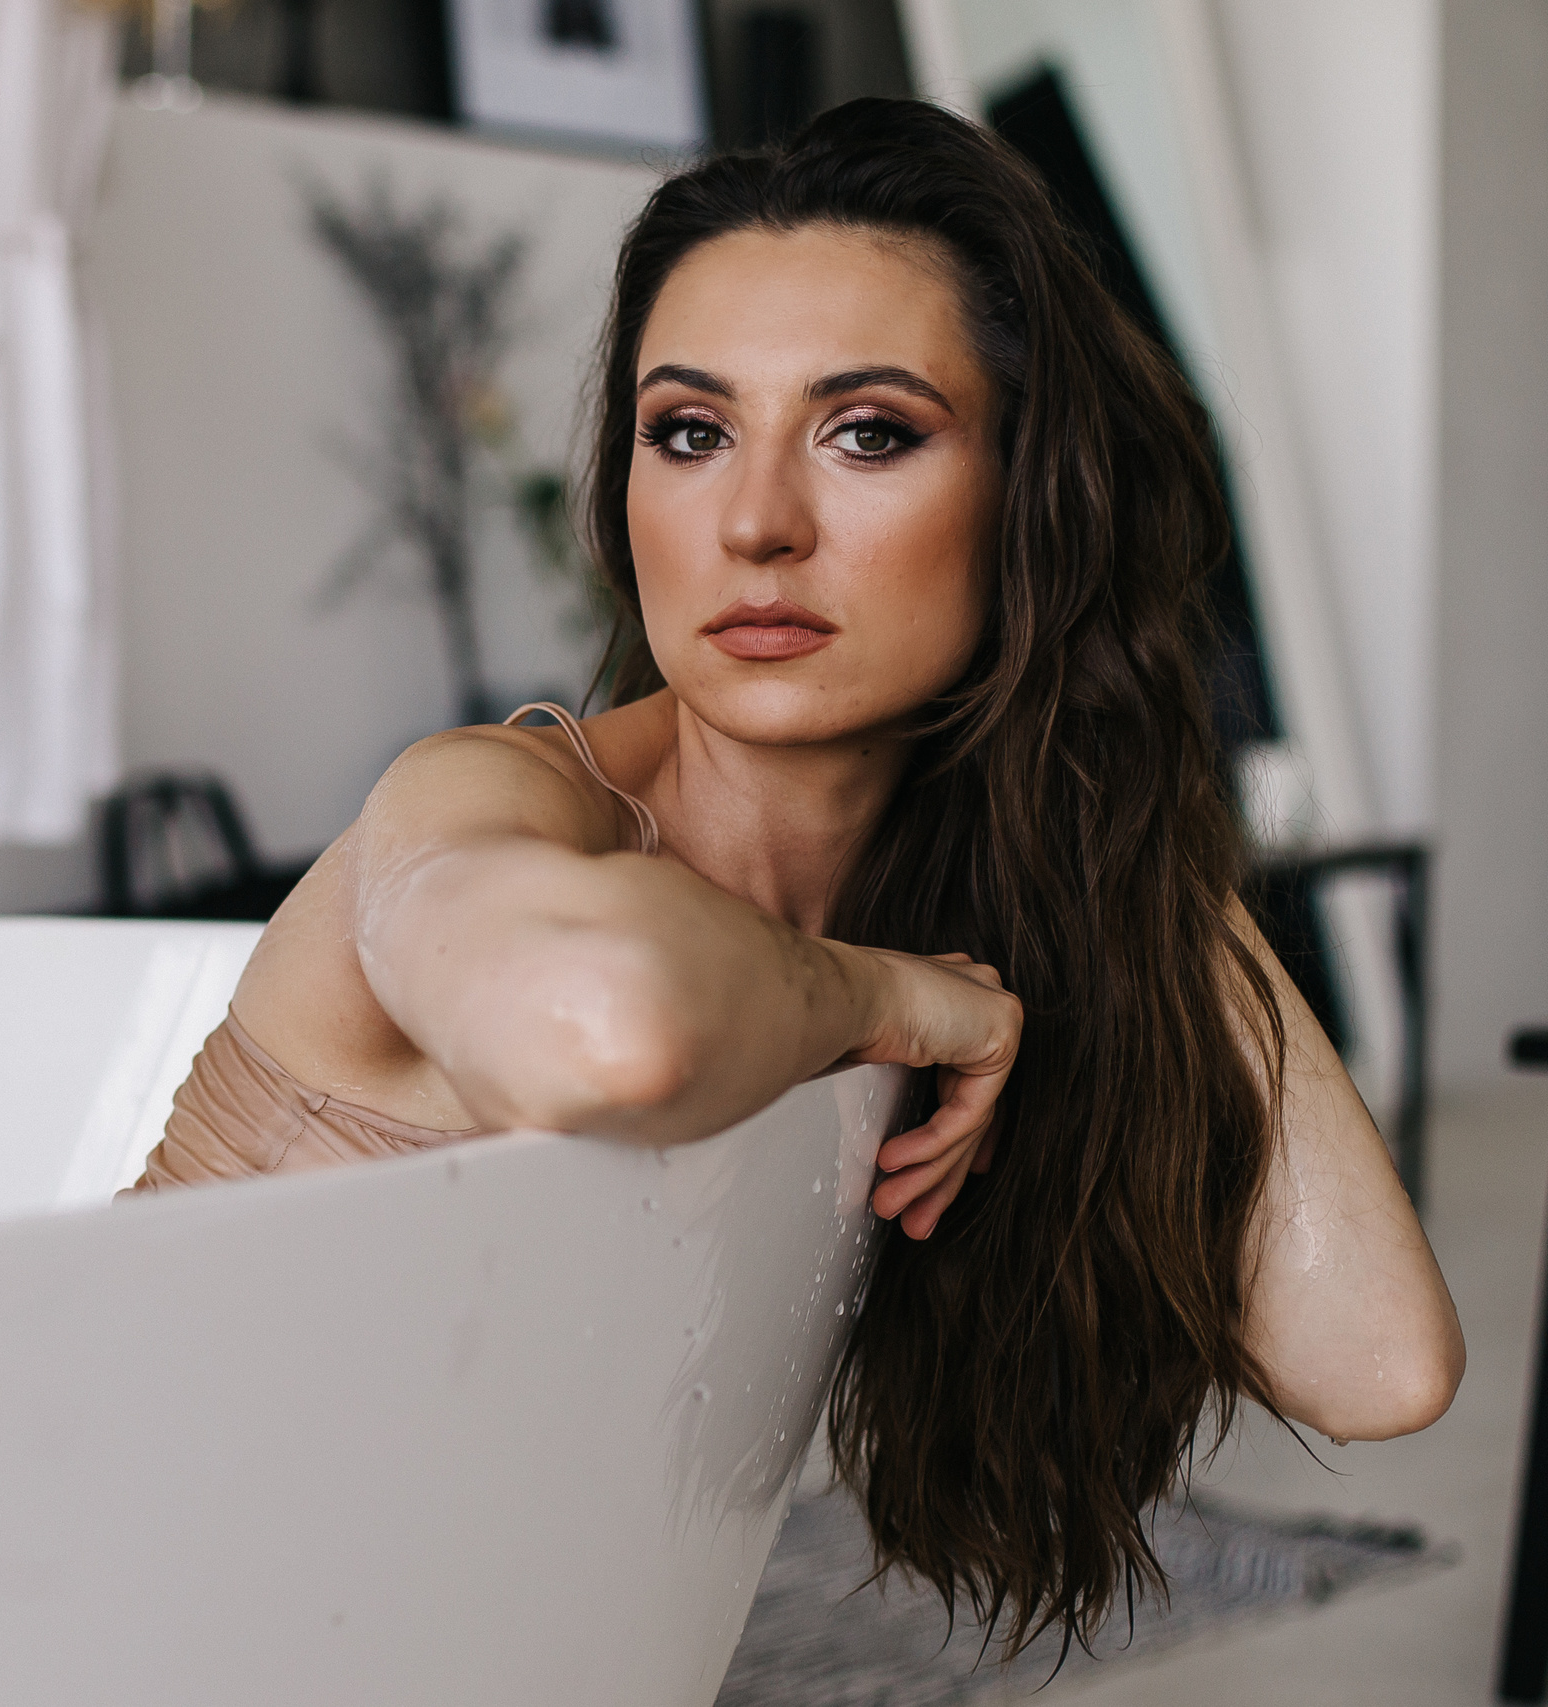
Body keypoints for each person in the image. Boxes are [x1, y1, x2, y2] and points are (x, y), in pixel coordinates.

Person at [130, 98, 1463, 1657]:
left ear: (1034, 501)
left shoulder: (942, 885)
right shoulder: (492, 801)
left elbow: (1379, 1362)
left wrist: (1114, 802)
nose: (757, 523)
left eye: (870, 433)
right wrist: (915, 1004)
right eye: (688, 433)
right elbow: (613, 1034)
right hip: (70, 1555)